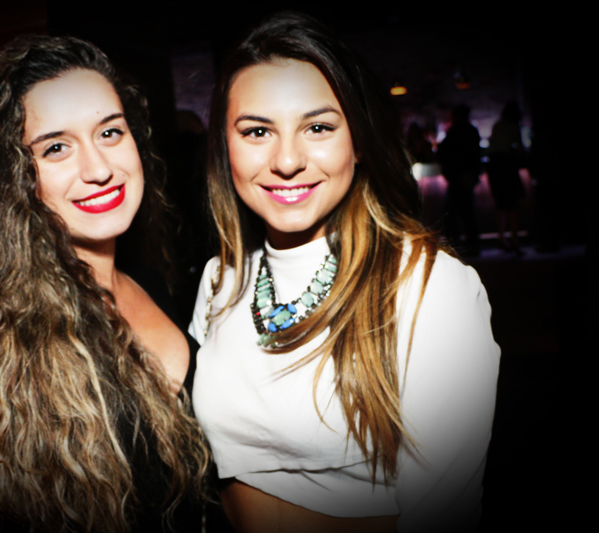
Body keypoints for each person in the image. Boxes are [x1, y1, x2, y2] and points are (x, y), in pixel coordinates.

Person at [189, 12, 500, 532]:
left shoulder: (428, 285)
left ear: (358, 142)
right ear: (226, 147)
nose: (287, 160)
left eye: (318, 127)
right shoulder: (221, 278)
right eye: (258, 131)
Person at [0, 35, 209, 533]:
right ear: (13, 177)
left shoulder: (151, 281)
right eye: (56, 147)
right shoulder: (1, 343)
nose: (99, 169)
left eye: (110, 132)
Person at [437, 104, 482, 255]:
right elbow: (476, 154)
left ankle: (456, 246)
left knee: (451, 213)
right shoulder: (471, 131)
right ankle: (471, 246)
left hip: (457, 177)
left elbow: (443, 152)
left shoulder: (454, 131)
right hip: (467, 177)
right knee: (467, 213)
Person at [487, 101, 526, 255]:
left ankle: (501, 238)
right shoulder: (513, 127)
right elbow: (521, 148)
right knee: (512, 206)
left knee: (501, 205)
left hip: (494, 166)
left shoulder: (498, 125)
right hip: (507, 166)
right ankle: (515, 241)